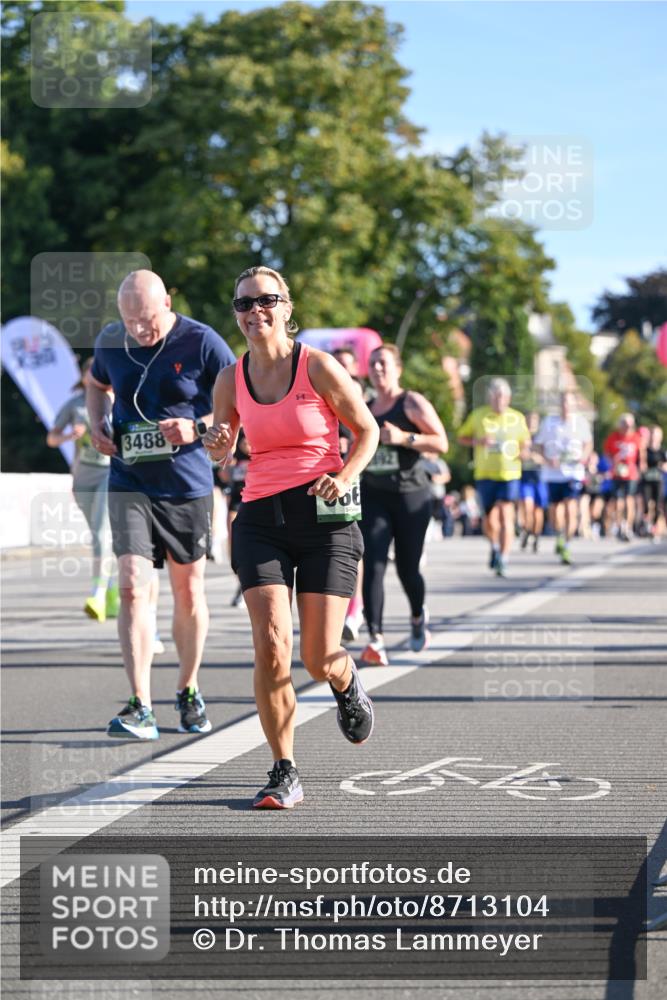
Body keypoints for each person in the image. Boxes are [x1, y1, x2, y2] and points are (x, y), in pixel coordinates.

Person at [204, 266, 379, 809]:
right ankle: (285, 769)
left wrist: (345, 475)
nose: (254, 311)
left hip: (324, 517)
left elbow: (366, 431)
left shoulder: (318, 367)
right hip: (258, 517)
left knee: (317, 653)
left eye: (266, 301)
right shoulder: (231, 379)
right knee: (272, 644)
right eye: (243, 304)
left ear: (286, 307)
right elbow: (223, 448)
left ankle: (345, 680)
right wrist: (215, 442)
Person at [87, 269, 235, 739]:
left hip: (186, 485)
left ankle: (188, 689)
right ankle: (140, 704)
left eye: (148, 321)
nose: (140, 332)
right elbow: (96, 384)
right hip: (129, 479)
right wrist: (97, 425)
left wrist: (197, 426)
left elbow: (240, 401)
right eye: (131, 321)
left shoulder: (203, 342)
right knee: (132, 586)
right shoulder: (113, 341)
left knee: (187, 591)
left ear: (167, 303)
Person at [359, 344, 448, 666]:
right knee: (374, 563)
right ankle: (375, 639)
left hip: (411, 496)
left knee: (408, 568)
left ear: (398, 368)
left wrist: (403, 438)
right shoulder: (364, 406)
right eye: (372, 364)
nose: (378, 369)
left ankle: (416, 615)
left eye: (383, 363)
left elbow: (441, 441)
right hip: (373, 495)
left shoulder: (410, 402)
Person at [47, 358, 118, 621]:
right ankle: (112, 589)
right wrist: (68, 436)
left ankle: (97, 592)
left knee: (101, 534)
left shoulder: (116, 400)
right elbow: (51, 438)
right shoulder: (74, 404)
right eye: (90, 371)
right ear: (84, 375)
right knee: (99, 535)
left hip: (110, 474)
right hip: (82, 478)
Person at [457, 378, 530, 577]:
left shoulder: (517, 418)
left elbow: (526, 443)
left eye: (502, 397)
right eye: (495, 396)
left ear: (508, 398)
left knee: (507, 516)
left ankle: (504, 560)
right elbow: (461, 437)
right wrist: (478, 441)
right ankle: (495, 547)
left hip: (509, 474)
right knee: (489, 521)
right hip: (485, 474)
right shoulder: (479, 416)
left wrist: (524, 453)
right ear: (490, 397)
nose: (499, 400)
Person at [533, 393, 593, 564]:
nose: (566, 406)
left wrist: (584, 457)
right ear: (560, 405)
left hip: (573, 472)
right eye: (564, 402)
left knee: (570, 509)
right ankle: (559, 535)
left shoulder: (580, 423)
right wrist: (546, 459)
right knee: (554, 512)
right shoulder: (549, 423)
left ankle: (566, 545)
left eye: (569, 403)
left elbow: (588, 444)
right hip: (553, 474)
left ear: (574, 405)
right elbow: (538, 445)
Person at [332, 347, 366, 642]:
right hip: (331, 477)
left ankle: (354, 611)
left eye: (346, 364)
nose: (341, 367)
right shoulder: (322, 386)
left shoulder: (356, 391)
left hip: (356, 476)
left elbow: (368, 429)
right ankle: (342, 611)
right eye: (337, 362)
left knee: (355, 545)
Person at [603, 413, 645, 541]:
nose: (627, 427)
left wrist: (640, 467)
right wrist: (612, 462)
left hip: (631, 473)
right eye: (625, 424)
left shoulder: (636, 437)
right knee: (618, 501)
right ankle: (620, 525)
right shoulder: (613, 437)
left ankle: (628, 526)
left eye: (630, 425)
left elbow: (641, 455)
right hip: (617, 473)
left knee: (629, 500)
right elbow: (607, 453)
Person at [518, 411, 547, 553]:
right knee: (527, 507)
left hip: (539, 476)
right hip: (525, 476)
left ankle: (535, 535)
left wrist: (538, 458)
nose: (531, 424)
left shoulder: (542, 438)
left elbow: (549, 458)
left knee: (537, 511)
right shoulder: (521, 438)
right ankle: (526, 530)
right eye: (529, 421)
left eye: (534, 422)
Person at [641, 425, 667, 541]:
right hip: (646, 481)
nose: (654, 438)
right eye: (653, 435)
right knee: (646, 504)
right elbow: (640, 463)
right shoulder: (644, 451)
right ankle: (647, 524)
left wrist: (662, 466)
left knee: (657, 505)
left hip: (658, 480)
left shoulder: (662, 452)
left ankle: (654, 528)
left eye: (656, 435)